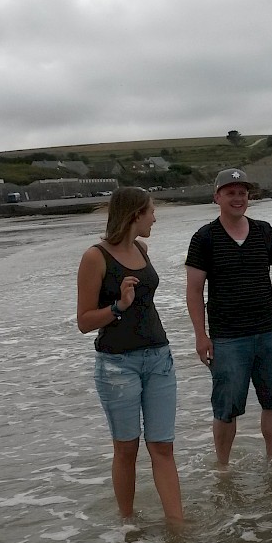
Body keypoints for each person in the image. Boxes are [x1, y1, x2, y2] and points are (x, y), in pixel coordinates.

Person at [185, 168, 272, 468]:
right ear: (217, 197)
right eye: (231, 193)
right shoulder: (204, 238)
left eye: (243, 193)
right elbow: (193, 291)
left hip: (270, 332)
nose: (238, 198)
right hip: (227, 338)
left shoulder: (264, 231)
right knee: (226, 408)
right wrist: (201, 336)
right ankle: (223, 467)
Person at [76, 187, 183, 522]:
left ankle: (178, 526)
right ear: (136, 214)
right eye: (151, 211)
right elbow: (83, 321)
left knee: (163, 447)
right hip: (117, 365)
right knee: (126, 449)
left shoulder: (142, 248)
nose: (155, 217)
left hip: (159, 358)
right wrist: (119, 307)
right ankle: (128, 525)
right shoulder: (95, 257)